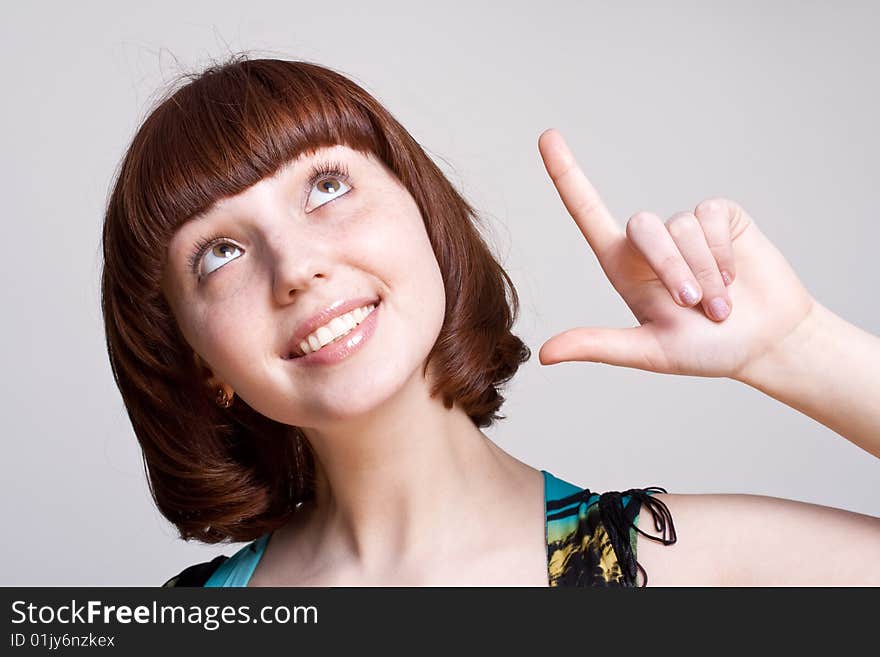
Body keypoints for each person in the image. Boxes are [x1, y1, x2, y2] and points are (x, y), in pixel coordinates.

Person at [101, 54, 880, 588]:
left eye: (327, 186)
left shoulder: (661, 569)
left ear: (425, 218)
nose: (295, 265)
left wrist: (794, 346)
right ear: (200, 360)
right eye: (220, 252)